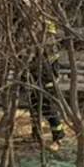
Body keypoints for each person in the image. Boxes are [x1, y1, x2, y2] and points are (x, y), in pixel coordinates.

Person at [25, 17, 65, 147]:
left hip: (47, 84)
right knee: (34, 109)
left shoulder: (51, 48)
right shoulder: (38, 47)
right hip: (36, 83)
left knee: (49, 111)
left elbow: (46, 67)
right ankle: (36, 135)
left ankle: (58, 138)